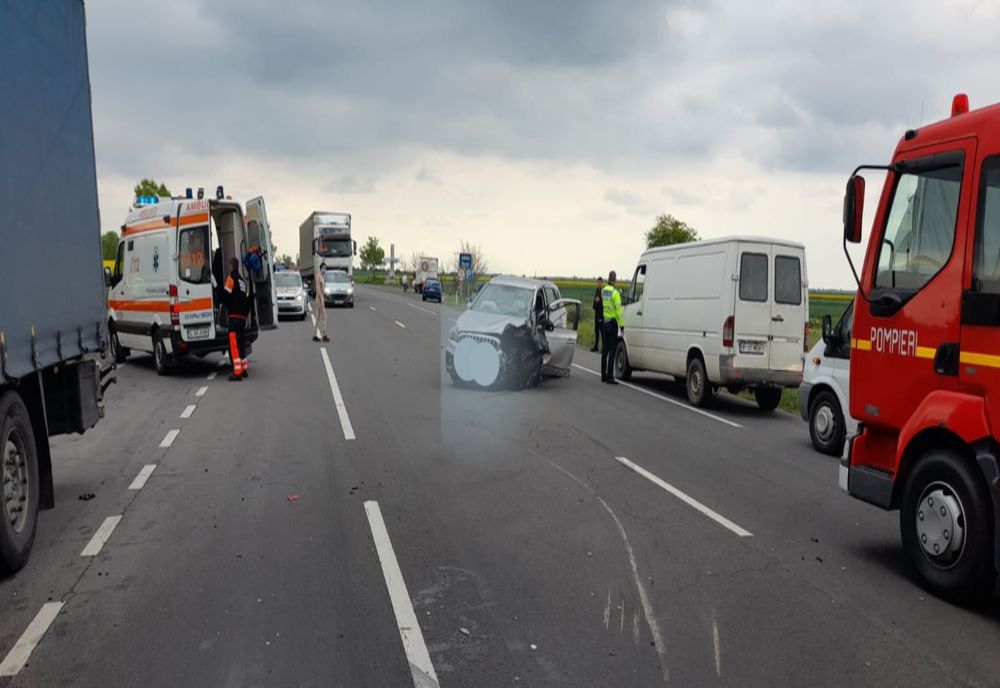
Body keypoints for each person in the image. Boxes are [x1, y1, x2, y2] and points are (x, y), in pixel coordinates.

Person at [222, 258, 251, 381]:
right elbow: (247, 300)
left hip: (233, 318)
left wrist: (226, 306)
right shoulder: (242, 281)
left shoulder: (231, 279)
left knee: (233, 345)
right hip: (242, 318)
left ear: (231, 266)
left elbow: (225, 296)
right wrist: (244, 314)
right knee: (242, 343)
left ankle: (237, 372)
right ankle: (244, 369)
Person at [600, 270, 624, 384]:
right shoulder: (615, 293)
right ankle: (610, 377)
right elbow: (619, 311)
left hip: (604, 321)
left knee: (604, 350)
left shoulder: (603, 291)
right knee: (612, 350)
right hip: (613, 323)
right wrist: (622, 325)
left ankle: (603, 375)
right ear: (615, 280)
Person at [313, 263, 329, 342]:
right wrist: (321, 299)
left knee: (319, 317)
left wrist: (325, 295)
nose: (324, 270)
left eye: (325, 268)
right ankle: (324, 334)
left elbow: (323, 289)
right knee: (324, 316)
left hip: (321, 297)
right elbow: (318, 289)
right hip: (319, 298)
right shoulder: (318, 276)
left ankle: (315, 334)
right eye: (323, 268)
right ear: (320, 268)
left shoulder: (322, 277)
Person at [591, 276, 604, 352]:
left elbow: (604, 302)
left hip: (601, 314)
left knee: (602, 331)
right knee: (596, 330)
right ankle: (596, 346)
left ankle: (603, 347)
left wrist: (599, 300)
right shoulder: (597, 290)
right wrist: (595, 302)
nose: (598, 284)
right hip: (596, 313)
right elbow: (594, 302)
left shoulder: (603, 291)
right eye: (597, 283)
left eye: (599, 283)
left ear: (602, 283)